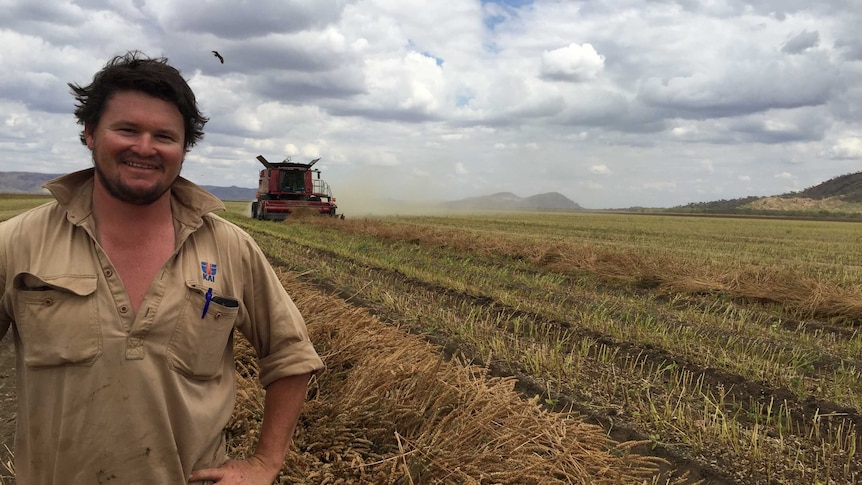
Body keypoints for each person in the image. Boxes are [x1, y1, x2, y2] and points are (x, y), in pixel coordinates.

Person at [0, 51, 325, 484]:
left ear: (184, 148)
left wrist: (264, 463)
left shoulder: (230, 248)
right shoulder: (18, 242)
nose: (145, 148)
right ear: (90, 133)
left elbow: (291, 355)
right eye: (127, 130)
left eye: (165, 136)